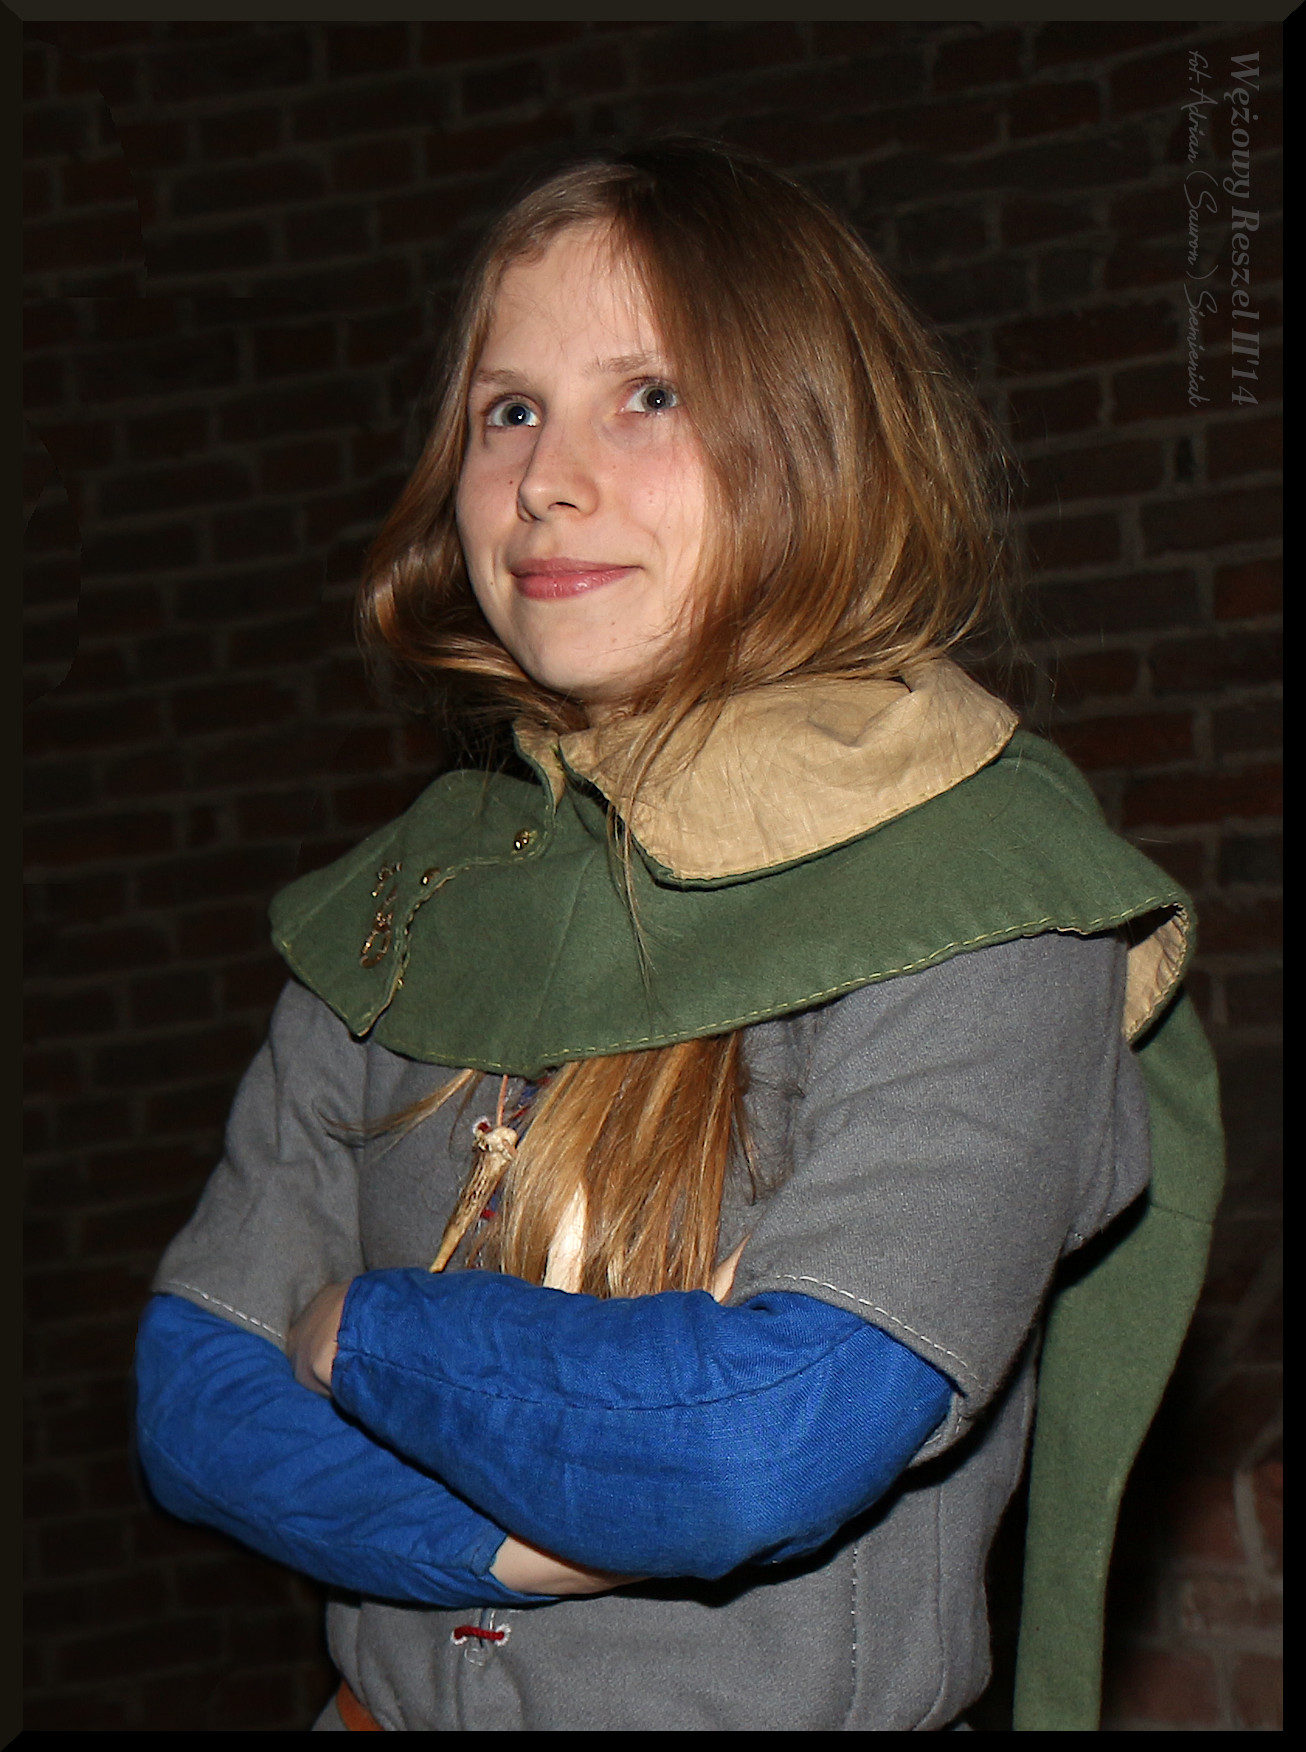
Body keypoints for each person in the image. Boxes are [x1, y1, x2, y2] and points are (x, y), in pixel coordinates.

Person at [133, 139, 1222, 1733]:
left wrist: (354, 1330)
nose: (545, 481)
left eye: (647, 395)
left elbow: (760, 1439)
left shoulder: (985, 898)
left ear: (817, 441)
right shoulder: (418, 895)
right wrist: (510, 1545)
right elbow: (192, 1397)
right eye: (508, 410)